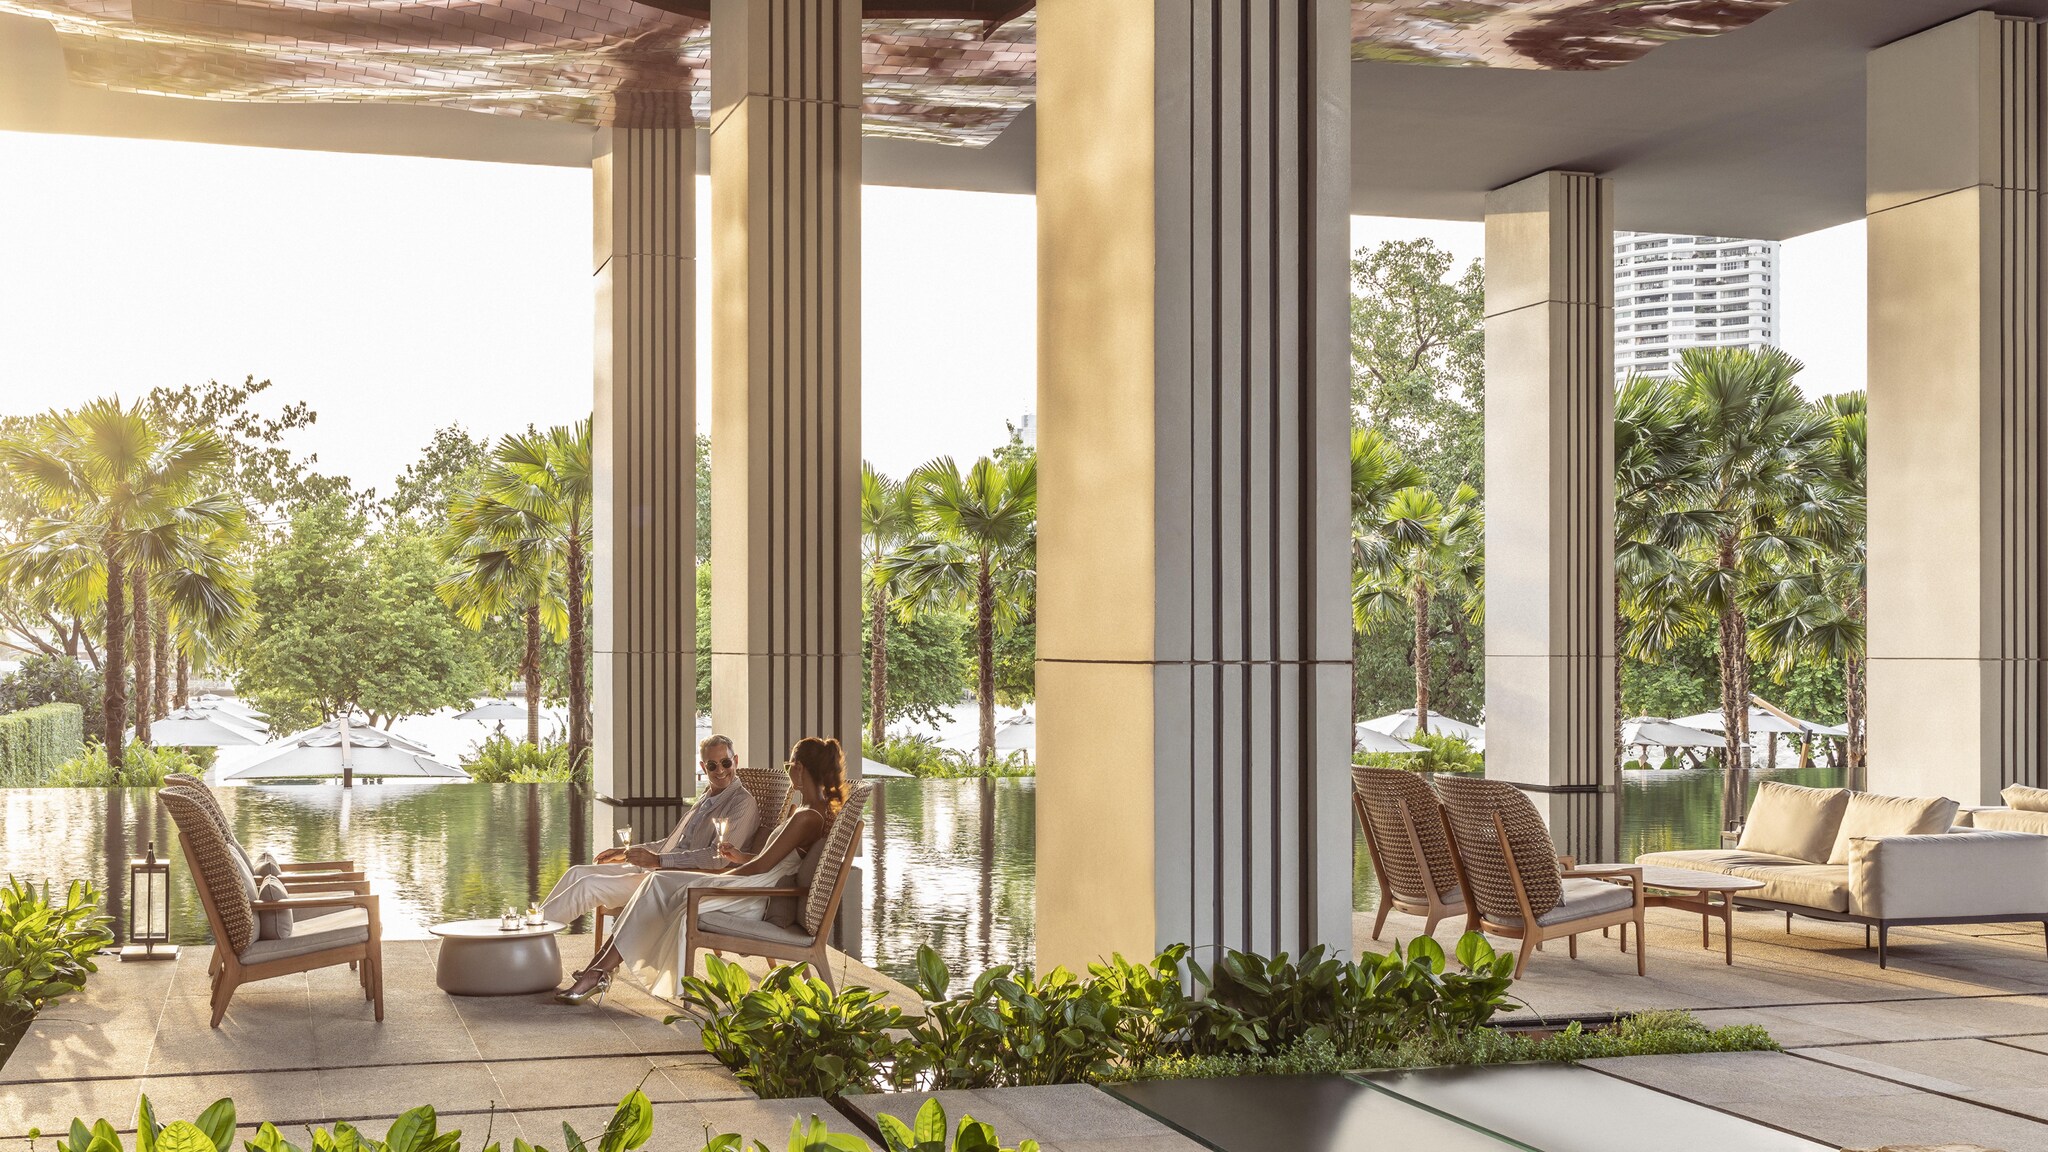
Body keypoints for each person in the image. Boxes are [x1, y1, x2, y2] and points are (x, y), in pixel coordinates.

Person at [555, 736, 846, 1005]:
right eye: (711, 765)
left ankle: (597, 973)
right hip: (754, 881)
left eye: (788, 765)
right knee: (655, 884)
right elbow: (769, 859)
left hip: (755, 895)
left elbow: (763, 866)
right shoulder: (805, 810)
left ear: (799, 767)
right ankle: (598, 971)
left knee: (656, 884)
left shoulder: (808, 816)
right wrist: (740, 855)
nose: (787, 772)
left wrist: (713, 881)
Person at [536, 734, 759, 927]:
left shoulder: (742, 803)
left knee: (587, 886)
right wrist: (629, 851)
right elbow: (673, 843)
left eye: (726, 763)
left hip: (678, 882)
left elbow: (718, 859)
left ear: (735, 761)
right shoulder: (707, 798)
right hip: (660, 870)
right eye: (712, 765)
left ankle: (532, 937)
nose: (720, 770)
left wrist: (659, 861)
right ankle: (533, 926)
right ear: (703, 767)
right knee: (577, 872)